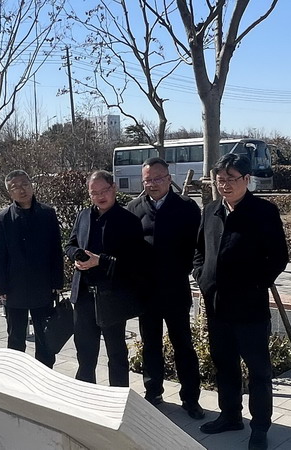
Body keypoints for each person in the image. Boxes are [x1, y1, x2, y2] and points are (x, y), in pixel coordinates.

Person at [193, 153, 288, 450]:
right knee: (225, 365)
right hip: (217, 306)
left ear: (247, 179)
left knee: (258, 371)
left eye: (231, 179)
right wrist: (202, 276)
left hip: (250, 308)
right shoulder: (211, 210)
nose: (225, 185)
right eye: (220, 180)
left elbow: (279, 257)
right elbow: (199, 251)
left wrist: (256, 284)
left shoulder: (264, 212)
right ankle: (230, 415)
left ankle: (259, 427)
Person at [127, 157, 204, 419]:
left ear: (169, 179)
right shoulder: (134, 208)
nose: (153, 184)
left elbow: (198, 246)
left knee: (183, 345)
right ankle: (153, 392)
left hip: (175, 290)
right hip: (146, 292)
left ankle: (190, 398)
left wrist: (189, 270)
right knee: (151, 344)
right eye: (147, 180)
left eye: (158, 178)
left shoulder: (186, 207)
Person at [65, 170, 145, 387]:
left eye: (105, 190)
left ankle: (119, 397)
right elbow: (70, 244)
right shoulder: (83, 216)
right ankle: (86, 394)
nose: (100, 196)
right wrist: (76, 256)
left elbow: (134, 262)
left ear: (114, 189)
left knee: (116, 353)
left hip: (112, 296)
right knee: (85, 352)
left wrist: (100, 261)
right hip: (83, 296)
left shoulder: (128, 220)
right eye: (94, 193)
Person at [0, 169, 64, 368]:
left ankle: (45, 374)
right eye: (15, 187)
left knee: (45, 337)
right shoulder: (3, 218)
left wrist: (57, 282)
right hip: (14, 288)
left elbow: (55, 250)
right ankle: (16, 374)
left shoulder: (47, 213)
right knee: (15, 338)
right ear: (10, 192)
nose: (21, 190)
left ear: (32, 185)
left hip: (42, 286)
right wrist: (1, 287)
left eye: (25, 184)